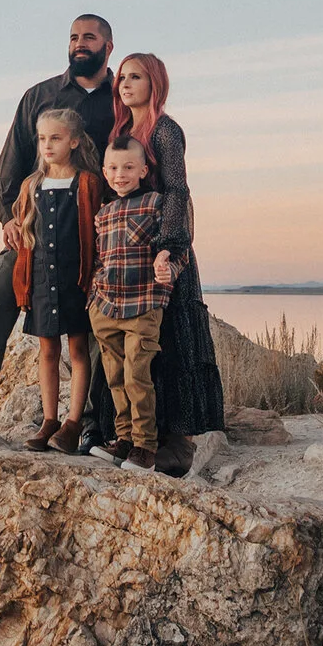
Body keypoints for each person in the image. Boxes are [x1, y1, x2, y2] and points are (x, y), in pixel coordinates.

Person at [0, 15, 117, 434]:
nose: (79, 44)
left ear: (108, 46)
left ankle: (98, 420)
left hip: (97, 234)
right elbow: (8, 170)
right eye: (73, 37)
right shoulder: (40, 97)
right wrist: (11, 219)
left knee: (101, 321)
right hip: (38, 230)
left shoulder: (121, 99)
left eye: (89, 37)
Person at [110, 51, 223, 469]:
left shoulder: (166, 131)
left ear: (154, 82)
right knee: (137, 349)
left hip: (163, 250)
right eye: (121, 77)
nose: (125, 84)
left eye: (135, 77)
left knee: (173, 341)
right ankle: (139, 437)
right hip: (131, 252)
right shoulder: (122, 131)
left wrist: (170, 246)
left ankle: (180, 442)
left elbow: (178, 190)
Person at [9, 108, 102, 452]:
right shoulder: (31, 185)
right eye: (42, 138)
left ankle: (73, 423)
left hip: (75, 281)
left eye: (56, 138)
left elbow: (96, 235)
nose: (47, 145)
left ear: (74, 142)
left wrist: (94, 280)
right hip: (41, 280)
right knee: (47, 350)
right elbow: (23, 237)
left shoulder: (88, 183)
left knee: (78, 350)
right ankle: (50, 420)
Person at [88, 134, 179, 470]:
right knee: (113, 376)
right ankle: (124, 439)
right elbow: (101, 258)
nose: (120, 173)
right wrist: (94, 299)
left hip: (142, 305)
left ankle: (145, 447)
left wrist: (166, 266)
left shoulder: (156, 204)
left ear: (143, 169)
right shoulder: (104, 212)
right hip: (106, 306)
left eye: (128, 166)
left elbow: (174, 249)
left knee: (137, 375)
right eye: (113, 167)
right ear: (104, 171)